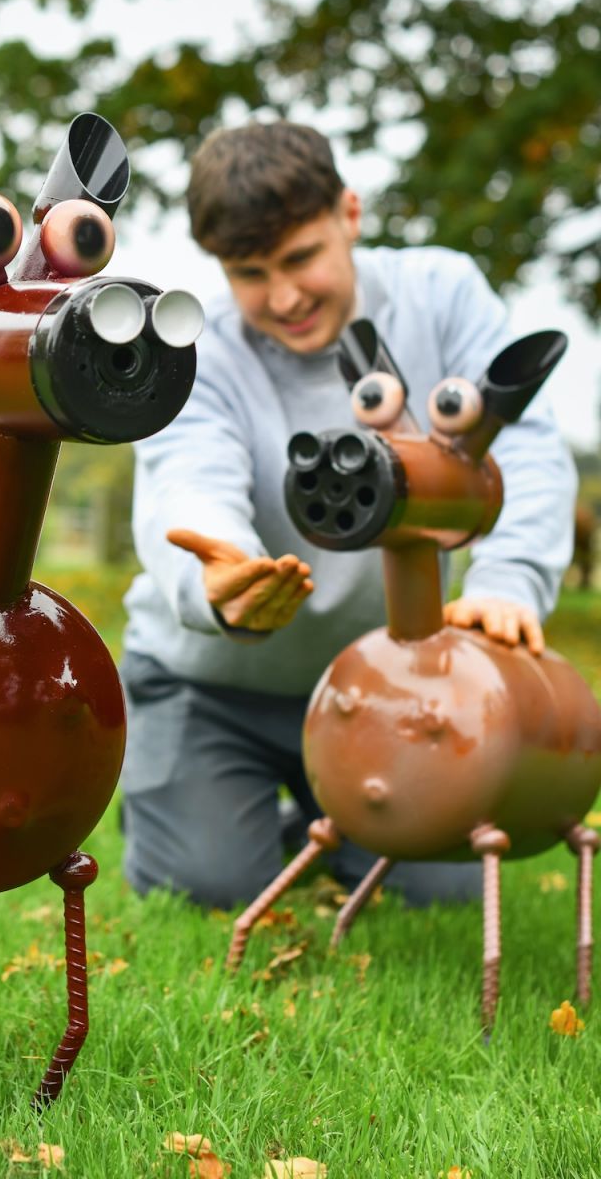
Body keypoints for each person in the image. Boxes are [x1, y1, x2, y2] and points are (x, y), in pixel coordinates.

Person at [119, 119, 577, 909]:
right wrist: (219, 570)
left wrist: (507, 585)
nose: (285, 295)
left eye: (301, 257)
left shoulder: (445, 292)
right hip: (214, 684)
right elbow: (189, 478)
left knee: (441, 884)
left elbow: (525, 446)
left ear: (351, 215)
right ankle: (199, 803)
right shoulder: (199, 353)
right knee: (207, 881)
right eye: (250, 272)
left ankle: (320, 823)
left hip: (399, 687)